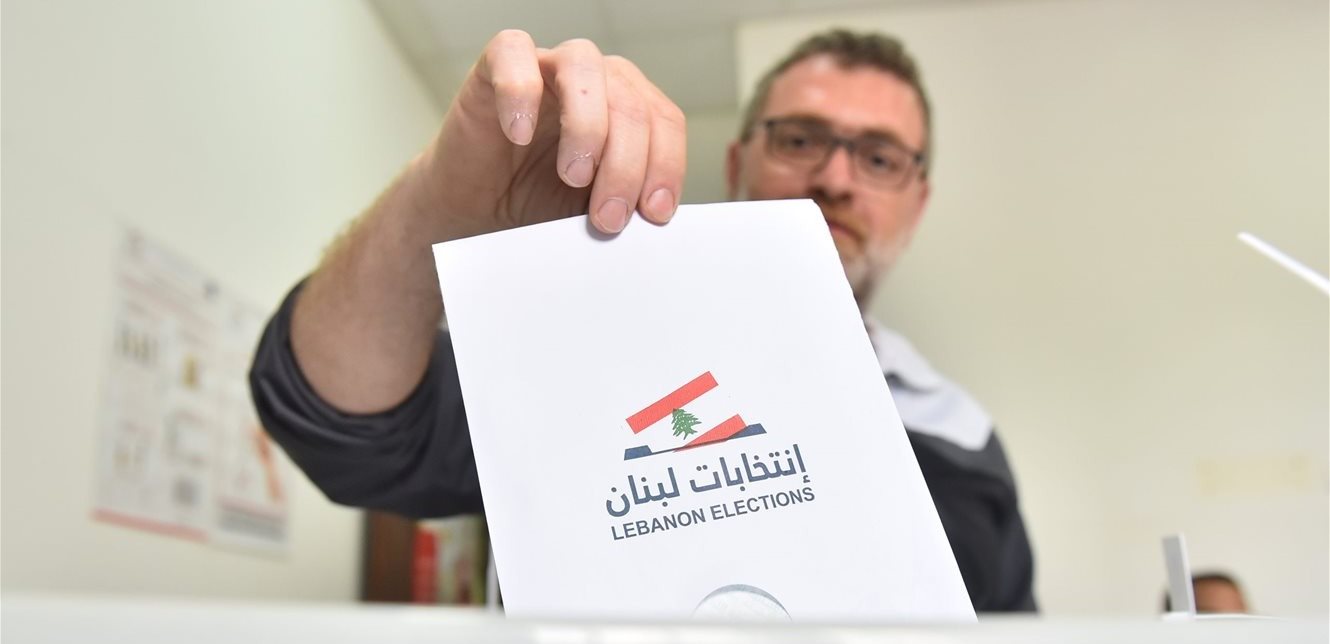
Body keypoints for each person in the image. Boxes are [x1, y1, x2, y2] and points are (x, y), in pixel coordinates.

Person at [250, 28, 1037, 612]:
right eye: (801, 139)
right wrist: (443, 201)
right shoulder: (582, 365)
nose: (835, 177)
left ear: (915, 204)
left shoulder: (963, 438)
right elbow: (338, 429)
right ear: (737, 163)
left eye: (880, 157)